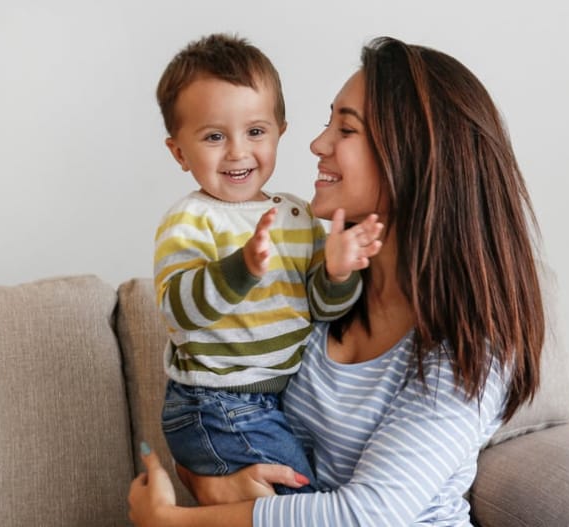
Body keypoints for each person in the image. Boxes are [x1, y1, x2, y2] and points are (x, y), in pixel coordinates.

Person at [130, 35, 544, 526]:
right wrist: (210, 482)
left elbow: (367, 516)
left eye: (345, 129)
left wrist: (170, 521)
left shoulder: (470, 347)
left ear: (409, 157)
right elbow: (218, 425)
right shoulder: (316, 289)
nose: (316, 144)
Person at [152, 34, 384, 495]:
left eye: (255, 132)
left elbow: (321, 308)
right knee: (299, 499)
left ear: (280, 131)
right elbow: (179, 312)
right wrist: (241, 269)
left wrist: (337, 273)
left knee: (301, 495)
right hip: (215, 402)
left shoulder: (298, 216)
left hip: (275, 400)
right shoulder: (191, 219)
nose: (238, 152)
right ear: (179, 152)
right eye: (214, 137)